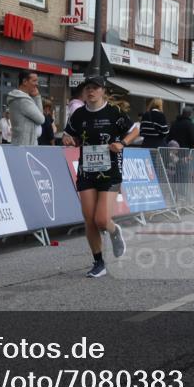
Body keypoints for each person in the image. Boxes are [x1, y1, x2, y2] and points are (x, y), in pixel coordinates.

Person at [63, 76, 140, 278]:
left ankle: (114, 231)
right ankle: (98, 262)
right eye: (88, 88)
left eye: (95, 88)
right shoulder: (79, 114)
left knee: (101, 220)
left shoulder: (114, 113)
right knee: (89, 220)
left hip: (111, 171)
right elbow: (68, 135)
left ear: (103, 91)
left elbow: (135, 130)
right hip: (86, 171)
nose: (91, 91)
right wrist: (69, 139)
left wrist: (122, 143)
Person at [8, 70, 44, 146]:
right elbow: (41, 119)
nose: (36, 84)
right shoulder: (23, 100)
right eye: (34, 81)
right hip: (25, 146)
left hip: (22, 144)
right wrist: (37, 97)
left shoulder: (19, 98)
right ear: (25, 81)